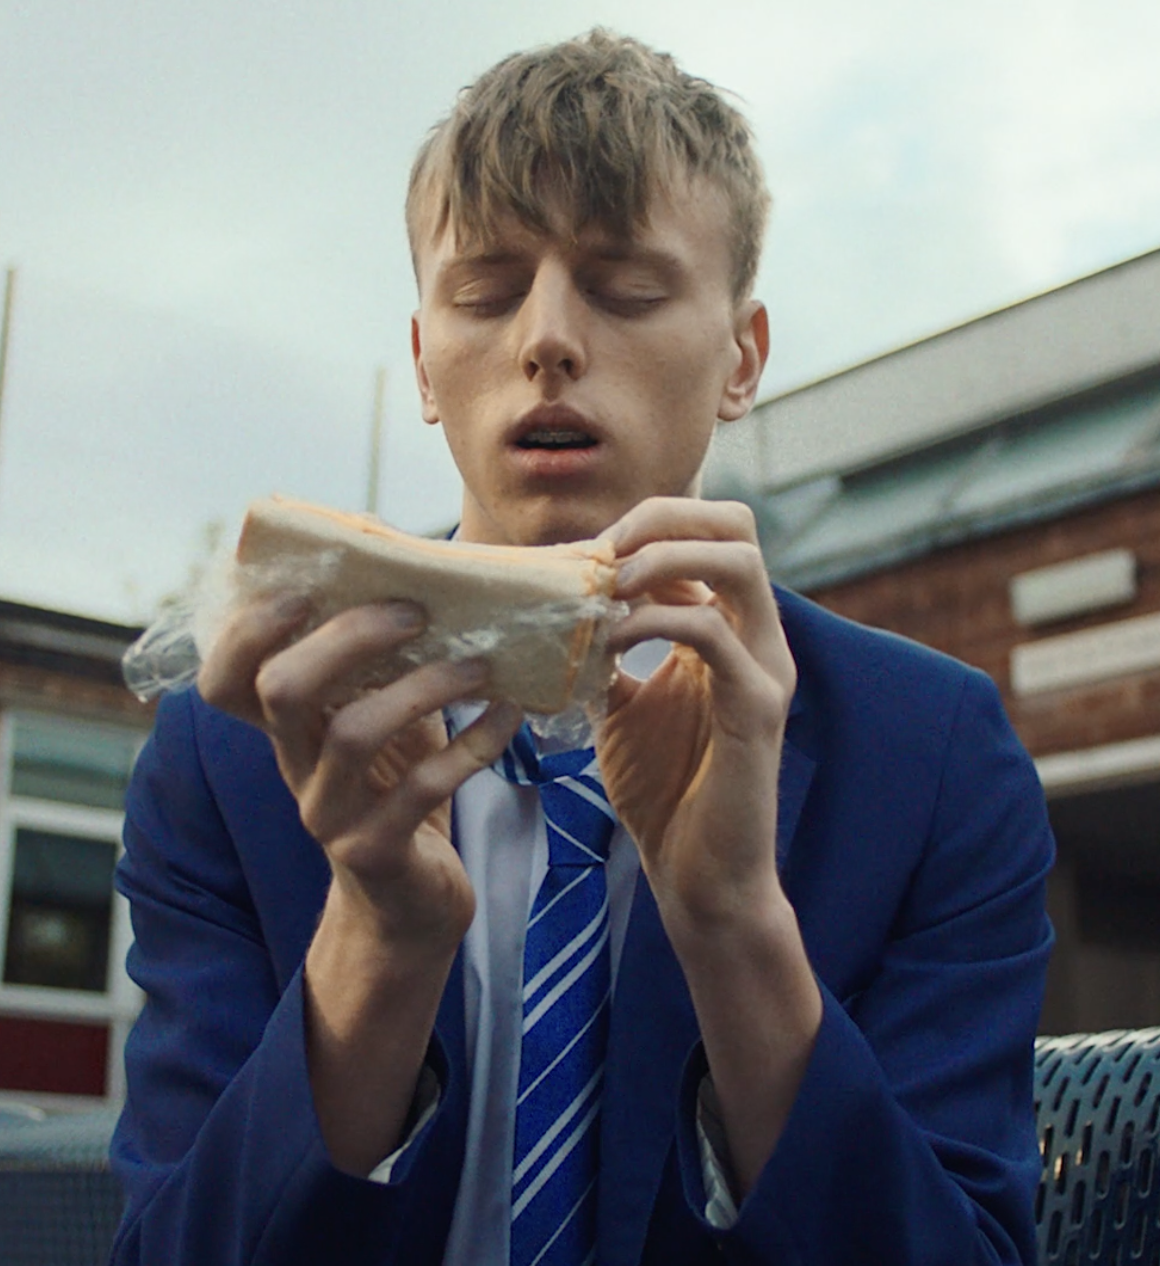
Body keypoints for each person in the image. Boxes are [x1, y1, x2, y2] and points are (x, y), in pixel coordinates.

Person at [109, 29, 1054, 1266]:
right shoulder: (231, 749)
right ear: (424, 368)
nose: (546, 337)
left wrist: (732, 924)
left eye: (625, 288)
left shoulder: (929, 755)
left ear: (741, 358)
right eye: (486, 292)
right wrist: (378, 939)